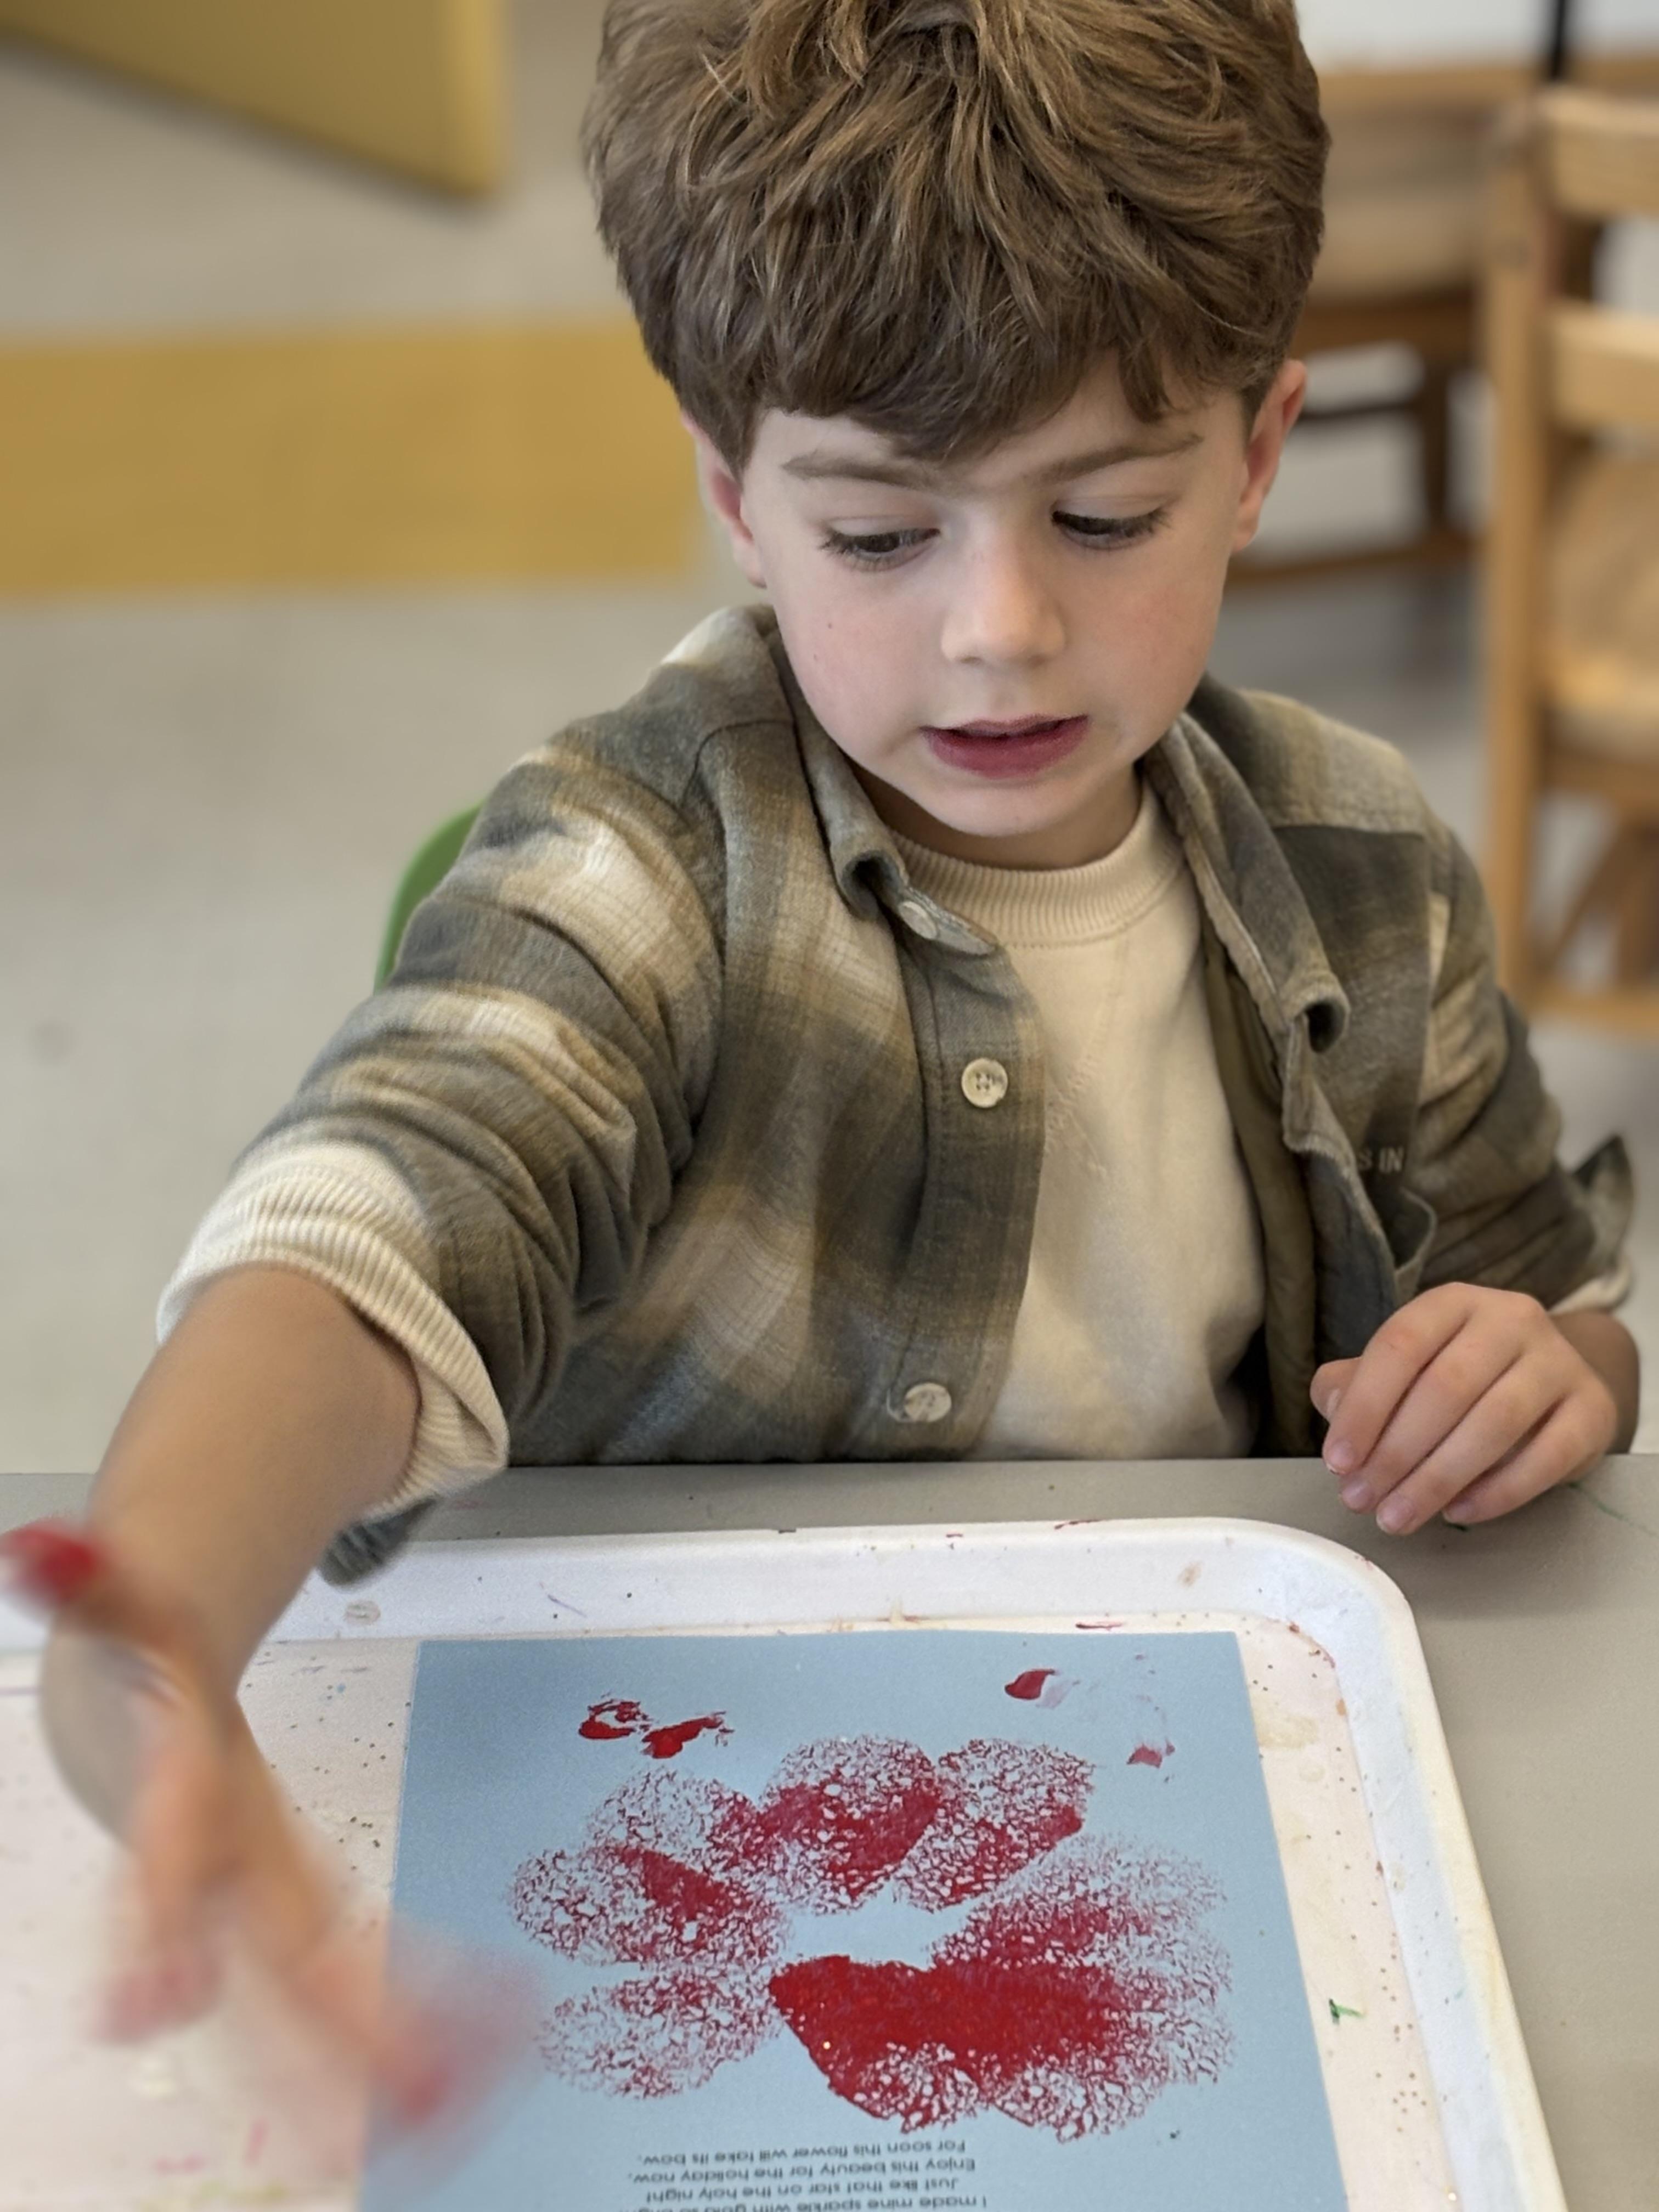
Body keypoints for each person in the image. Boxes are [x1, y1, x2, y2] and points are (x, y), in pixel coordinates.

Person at [8, 0, 1637, 2153]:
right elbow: (371, 1230)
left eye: (1106, 515)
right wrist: (154, 1649)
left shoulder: (1367, 860)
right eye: (881, 536)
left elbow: (1547, 1298)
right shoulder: (647, 869)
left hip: (1168, 1789)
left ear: (1259, 455)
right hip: (659, 1809)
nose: (999, 628)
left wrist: (1546, 1373)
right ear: (734, 495)